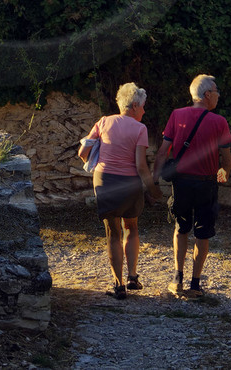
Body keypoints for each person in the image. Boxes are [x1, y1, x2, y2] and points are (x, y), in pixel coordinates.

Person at [78, 82, 160, 300]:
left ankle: (118, 285)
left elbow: (83, 151)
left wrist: (93, 159)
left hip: (105, 182)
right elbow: (141, 167)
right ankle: (133, 276)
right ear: (133, 106)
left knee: (112, 232)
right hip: (130, 184)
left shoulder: (103, 122)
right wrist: (152, 189)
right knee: (131, 227)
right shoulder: (140, 129)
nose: (143, 110)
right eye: (142, 106)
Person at [158, 73, 231, 299]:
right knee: (203, 234)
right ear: (207, 95)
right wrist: (225, 172)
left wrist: (154, 178)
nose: (218, 96)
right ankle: (195, 284)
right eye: (216, 92)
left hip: (181, 183)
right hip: (207, 184)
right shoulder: (219, 122)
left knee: (181, 228)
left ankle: (177, 278)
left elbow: (163, 151)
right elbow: (226, 158)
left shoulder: (176, 115)